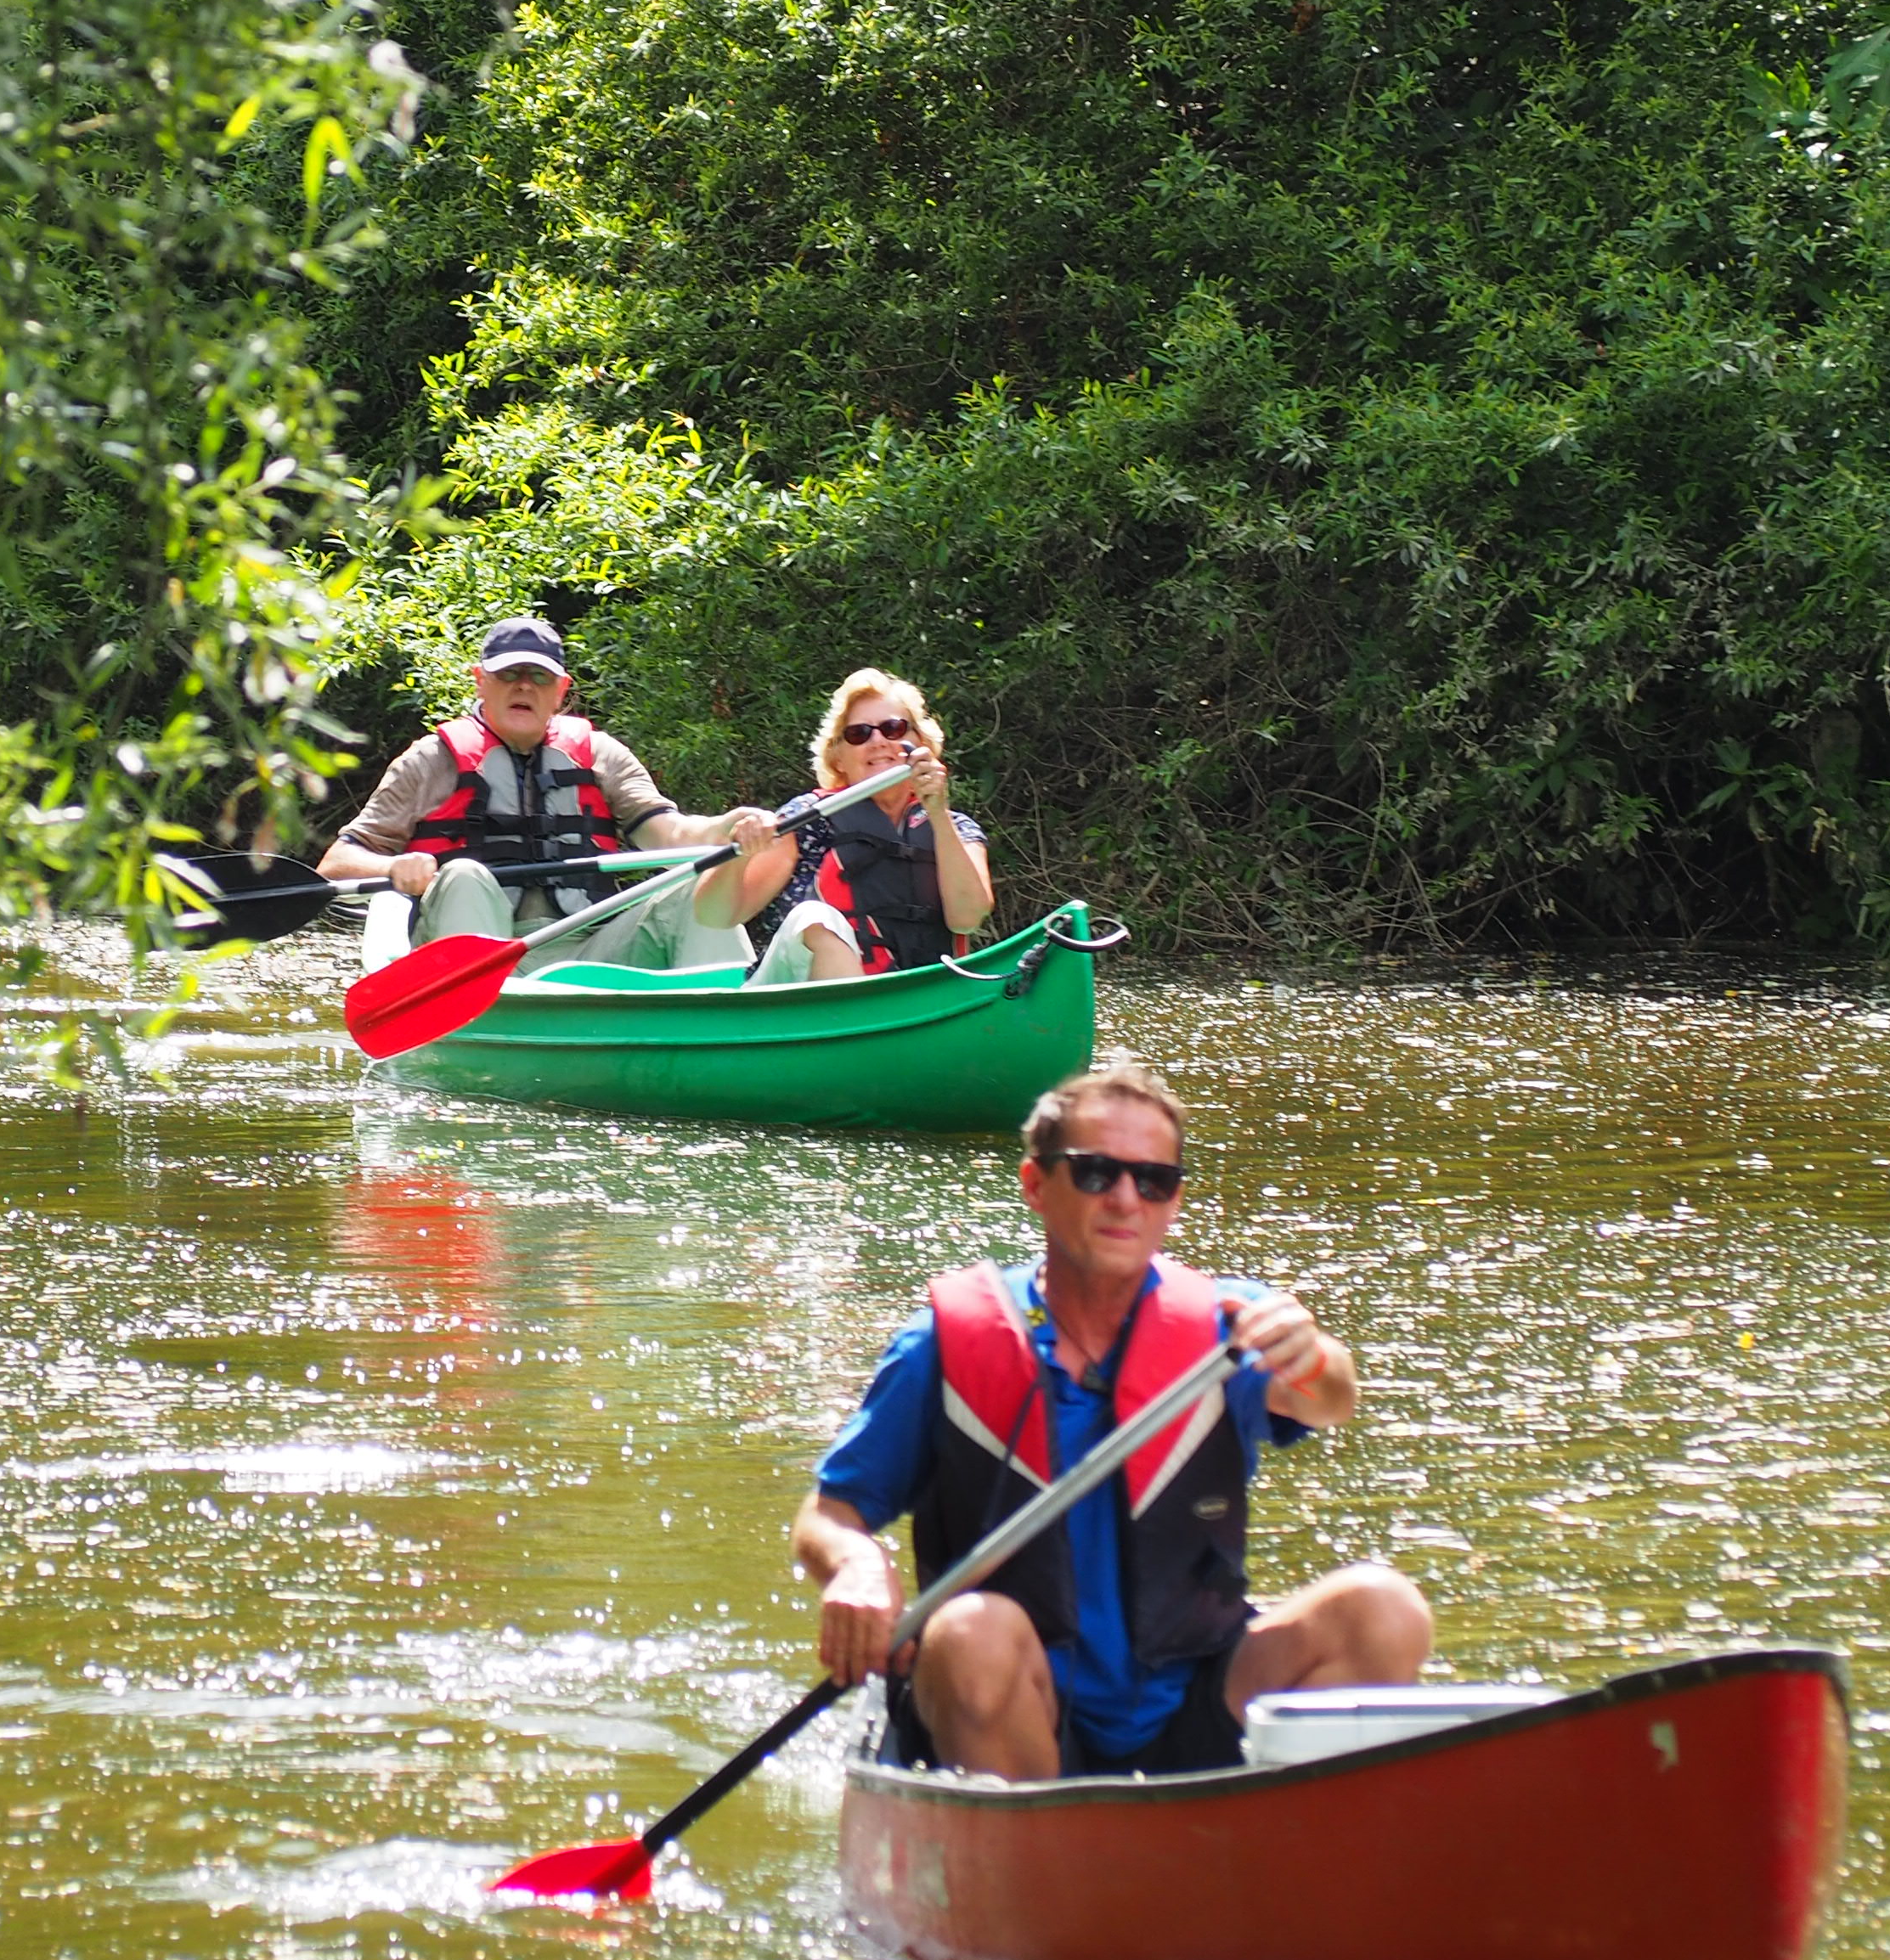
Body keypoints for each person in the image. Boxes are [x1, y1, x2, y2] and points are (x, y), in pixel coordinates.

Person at [790, 1062, 1430, 1777]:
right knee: (970, 1632)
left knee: (1384, 1607)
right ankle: (1035, 1863)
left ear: (1173, 1199)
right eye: (1096, 1173)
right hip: (1011, 1706)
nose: (1127, 1199)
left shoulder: (1231, 1327)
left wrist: (1312, 1356)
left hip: (1196, 1694)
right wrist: (855, 1567)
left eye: (1152, 1180)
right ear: (1037, 1185)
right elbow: (829, 1512)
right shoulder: (944, 1342)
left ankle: (1279, 1836)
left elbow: (1331, 1398)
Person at [319, 617, 780, 972]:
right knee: (462, 874)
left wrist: (726, 828)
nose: (523, 685)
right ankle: (483, 1017)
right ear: (480, 680)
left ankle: (728, 1016)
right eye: (509, 674)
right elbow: (337, 864)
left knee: (691, 889)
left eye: (538, 677)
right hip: (469, 961)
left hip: (589, 949)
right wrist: (393, 866)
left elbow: (672, 835)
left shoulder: (600, 754)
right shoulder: (431, 760)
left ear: (561, 691)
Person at [726, 667, 994, 983]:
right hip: (791, 1000)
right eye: (859, 734)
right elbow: (721, 916)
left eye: (893, 728)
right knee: (816, 918)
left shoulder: (956, 828)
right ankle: (853, 1018)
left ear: (920, 745)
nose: (878, 741)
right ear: (838, 758)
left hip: (912, 995)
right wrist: (740, 851)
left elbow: (967, 919)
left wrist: (938, 812)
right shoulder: (809, 819)